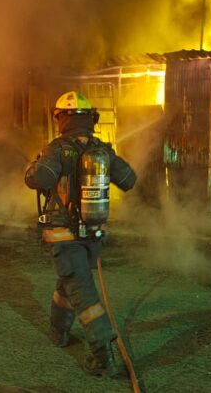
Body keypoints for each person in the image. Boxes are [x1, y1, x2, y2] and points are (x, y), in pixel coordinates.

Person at [24, 91, 136, 376]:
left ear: (61, 118)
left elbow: (40, 178)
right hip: (93, 234)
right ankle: (58, 331)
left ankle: (103, 355)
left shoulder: (58, 149)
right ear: (91, 119)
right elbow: (129, 179)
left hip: (64, 235)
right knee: (70, 282)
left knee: (83, 294)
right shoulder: (101, 150)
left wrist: (31, 168)